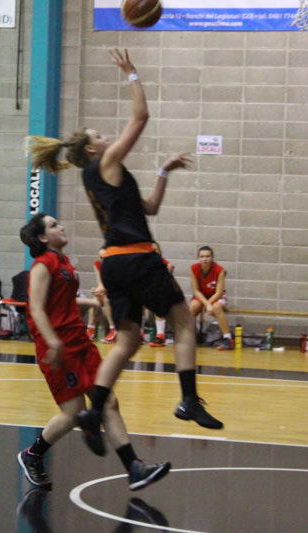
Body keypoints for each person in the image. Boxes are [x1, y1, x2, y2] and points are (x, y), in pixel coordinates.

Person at [25, 49, 223, 455]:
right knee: (184, 322)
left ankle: (93, 411)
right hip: (136, 258)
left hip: (114, 262)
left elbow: (149, 207)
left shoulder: (99, 176)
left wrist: (164, 171)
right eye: (99, 136)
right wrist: (132, 73)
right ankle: (188, 399)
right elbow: (141, 118)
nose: (106, 138)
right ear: (92, 149)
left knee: (127, 341)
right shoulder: (107, 162)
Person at [16, 213, 170, 491]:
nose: (61, 227)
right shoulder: (42, 265)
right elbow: (36, 308)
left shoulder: (64, 262)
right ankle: (32, 455)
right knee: (74, 412)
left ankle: (134, 468)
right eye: (53, 225)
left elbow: (62, 301)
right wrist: (53, 342)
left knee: (108, 401)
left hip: (80, 341)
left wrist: (92, 303)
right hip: (58, 347)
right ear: (42, 237)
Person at [189, 246, 232, 350]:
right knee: (193, 306)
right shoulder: (194, 269)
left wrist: (208, 304)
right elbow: (195, 290)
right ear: (198, 258)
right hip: (202, 296)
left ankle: (228, 339)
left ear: (212, 257)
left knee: (216, 307)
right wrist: (206, 304)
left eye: (208, 256)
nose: (205, 259)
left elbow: (219, 292)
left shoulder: (219, 270)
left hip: (216, 296)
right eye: (202, 256)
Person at [147, 241, 174, 347]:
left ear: (159, 251)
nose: (154, 252)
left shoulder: (164, 263)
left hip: (162, 292)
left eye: (156, 250)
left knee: (158, 299)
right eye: (151, 250)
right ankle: (139, 334)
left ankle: (160, 336)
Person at [91, 247, 117, 343]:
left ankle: (113, 330)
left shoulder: (116, 265)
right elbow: (101, 283)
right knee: (96, 299)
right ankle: (90, 330)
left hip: (119, 293)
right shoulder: (98, 264)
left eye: (105, 257)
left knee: (105, 298)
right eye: (101, 258)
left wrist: (102, 290)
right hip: (108, 292)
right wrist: (96, 290)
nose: (103, 260)